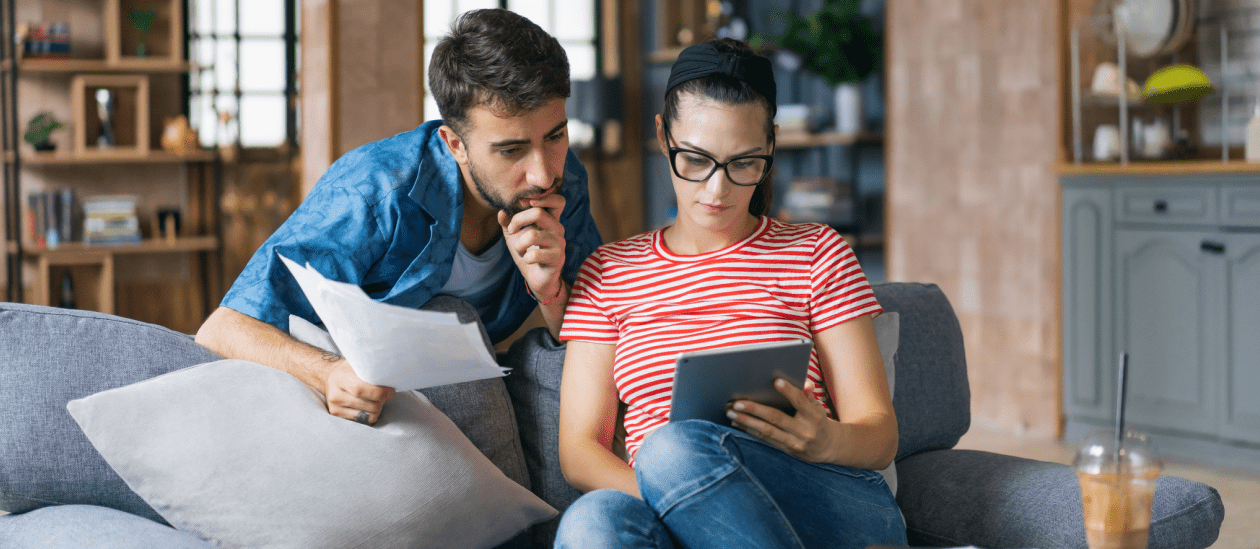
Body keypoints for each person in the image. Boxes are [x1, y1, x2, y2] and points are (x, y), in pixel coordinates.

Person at [553, 38, 907, 548]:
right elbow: (580, 452)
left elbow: (879, 435)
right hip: (675, 506)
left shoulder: (816, 252)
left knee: (671, 449)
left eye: (744, 163)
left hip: (826, 501)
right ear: (661, 134)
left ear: (771, 146)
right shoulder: (608, 273)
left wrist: (826, 439)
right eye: (695, 160)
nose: (717, 191)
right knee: (593, 523)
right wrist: (684, 501)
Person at [195, 8, 602, 426]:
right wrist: (328, 372)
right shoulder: (375, 189)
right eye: (511, 150)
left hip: (470, 377)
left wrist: (550, 292)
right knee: (448, 315)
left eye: (555, 136)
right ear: (455, 144)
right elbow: (224, 328)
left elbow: (597, 331)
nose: (543, 172)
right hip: (356, 392)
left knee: (563, 363)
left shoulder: (563, 180)